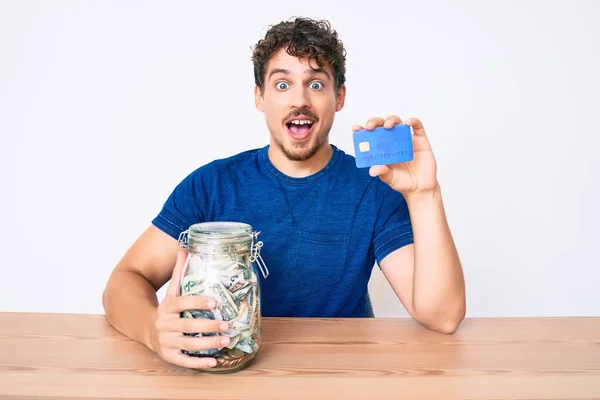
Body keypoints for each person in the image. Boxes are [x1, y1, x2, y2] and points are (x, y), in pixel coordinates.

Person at [102, 17, 466, 370]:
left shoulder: (373, 186)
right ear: (259, 97)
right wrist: (153, 330)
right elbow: (126, 279)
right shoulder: (211, 185)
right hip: (230, 369)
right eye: (281, 85)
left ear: (339, 97)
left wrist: (424, 194)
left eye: (316, 84)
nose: (300, 101)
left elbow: (443, 316)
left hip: (341, 375)